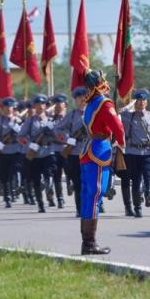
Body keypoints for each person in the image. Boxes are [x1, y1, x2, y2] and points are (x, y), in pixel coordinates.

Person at [79, 70, 125, 255]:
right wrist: (121, 144)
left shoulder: (90, 103)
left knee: (88, 196)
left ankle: (87, 242)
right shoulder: (104, 103)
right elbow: (118, 127)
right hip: (99, 149)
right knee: (96, 194)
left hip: (89, 148)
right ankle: (90, 243)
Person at [120, 89, 150, 218]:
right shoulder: (128, 116)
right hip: (132, 152)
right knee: (136, 181)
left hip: (147, 151)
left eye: (143, 100)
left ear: (146, 102)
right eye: (138, 100)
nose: (141, 103)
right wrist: (130, 104)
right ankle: (137, 207)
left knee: (148, 172)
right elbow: (118, 112)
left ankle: (148, 192)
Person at [19, 94, 55, 213]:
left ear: (46, 106)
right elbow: (21, 137)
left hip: (48, 151)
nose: (40, 106)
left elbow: (58, 135)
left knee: (49, 172)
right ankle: (40, 203)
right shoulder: (30, 121)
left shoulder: (51, 120)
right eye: (38, 104)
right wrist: (30, 144)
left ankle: (49, 186)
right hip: (35, 154)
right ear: (34, 106)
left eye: (43, 104)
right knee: (36, 179)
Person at [55, 86, 88, 217]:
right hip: (75, 153)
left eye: (84, 97)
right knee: (78, 182)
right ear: (75, 100)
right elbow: (58, 129)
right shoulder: (72, 115)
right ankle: (80, 209)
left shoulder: (94, 113)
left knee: (91, 182)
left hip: (91, 152)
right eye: (79, 98)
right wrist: (68, 139)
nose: (82, 100)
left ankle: (92, 206)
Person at [0, 97, 21, 208]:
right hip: (2, 151)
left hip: (16, 150)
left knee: (13, 172)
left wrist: (18, 128)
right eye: (6, 107)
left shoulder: (18, 120)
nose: (8, 109)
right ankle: (7, 197)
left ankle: (14, 190)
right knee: (4, 176)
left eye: (10, 107)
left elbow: (25, 134)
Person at [49, 93, 69, 209]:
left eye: (59, 105)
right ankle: (60, 198)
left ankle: (70, 184)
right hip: (55, 150)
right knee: (56, 175)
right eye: (55, 105)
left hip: (68, 149)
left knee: (70, 172)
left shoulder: (70, 117)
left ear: (65, 105)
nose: (57, 107)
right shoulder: (50, 119)